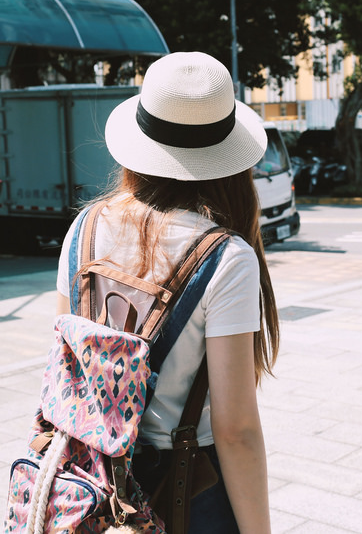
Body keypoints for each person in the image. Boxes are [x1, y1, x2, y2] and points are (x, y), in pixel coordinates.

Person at [54, 51, 278, 533]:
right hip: (185, 492)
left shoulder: (85, 227)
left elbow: (64, 370)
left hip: (87, 486)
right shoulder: (226, 256)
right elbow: (235, 430)